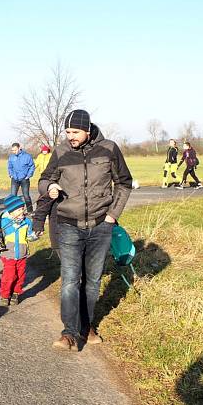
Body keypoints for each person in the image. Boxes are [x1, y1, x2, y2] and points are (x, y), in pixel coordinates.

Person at [38, 109, 133, 350]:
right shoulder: (61, 152)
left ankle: (86, 326)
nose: (71, 136)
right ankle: (69, 333)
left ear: (88, 130)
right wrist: (49, 187)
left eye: (75, 132)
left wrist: (113, 214)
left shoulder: (109, 149)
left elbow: (124, 182)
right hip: (68, 225)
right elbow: (43, 179)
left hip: (101, 225)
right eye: (67, 131)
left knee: (92, 281)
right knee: (70, 280)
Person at [0, 195, 37, 307]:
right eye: (19, 210)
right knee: (9, 275)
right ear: (11, 212)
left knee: (20, 275)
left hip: (22, 254)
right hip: (9, 253)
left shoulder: (27, 222)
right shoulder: (5, 221)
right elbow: (10, 230)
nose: (22, 212)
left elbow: (28, 235)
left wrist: (34, 236)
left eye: (23, 209)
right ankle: (4, 294)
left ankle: (15, 292)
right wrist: (17, 222)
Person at [7, 142, 35, 212]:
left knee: (26, 196)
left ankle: (30, 211)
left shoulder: (27, 156)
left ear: (19, 148)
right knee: (13, 196)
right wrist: (11, 174)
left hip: (24, 179)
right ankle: (13, 212)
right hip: (14, 179)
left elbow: (32, 166)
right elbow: (10, 167)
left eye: (15, 150)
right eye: (12, 150)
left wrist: (28, 175)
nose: (14, 152)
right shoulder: (11, 157)